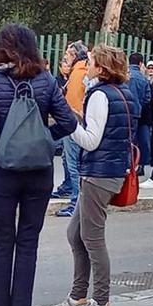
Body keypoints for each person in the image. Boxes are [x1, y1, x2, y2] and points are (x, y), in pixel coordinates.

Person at [0, 24, 77, 306]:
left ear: (0, 48)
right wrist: (44, 140)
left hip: (3, 171)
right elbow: (69, 122)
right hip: (40, 171)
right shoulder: (45, 79)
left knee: (2, 243)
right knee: (28, 243)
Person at [50, 45, 135, 306]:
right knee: (76, 234)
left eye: (90, 62)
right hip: (108, 171)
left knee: (92, 239)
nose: (85, 66)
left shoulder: (99, 96)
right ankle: (79, 296)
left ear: (102, 68)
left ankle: (100, 302)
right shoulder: (123, 94)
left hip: (99, 174)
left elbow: (90, 140)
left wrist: (69, 124)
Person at [56, 41, 89, 218]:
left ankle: (75, 200)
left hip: (73, 122)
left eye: (68, 53)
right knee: (67, 158)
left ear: (75, 55)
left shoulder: (78, 73)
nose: (66, 57)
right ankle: (68, 187)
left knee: (73, 162)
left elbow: (75, 102)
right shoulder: (80, 71)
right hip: (75, 121)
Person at [126, 53, 152, 177]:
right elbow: (147, 98)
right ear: (141, 63)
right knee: (134, 140)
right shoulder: (143, 79)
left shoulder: (123, 75)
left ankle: (124, 164)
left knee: (124, 138)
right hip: (136, 112)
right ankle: (134, 165)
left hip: (122, 110)